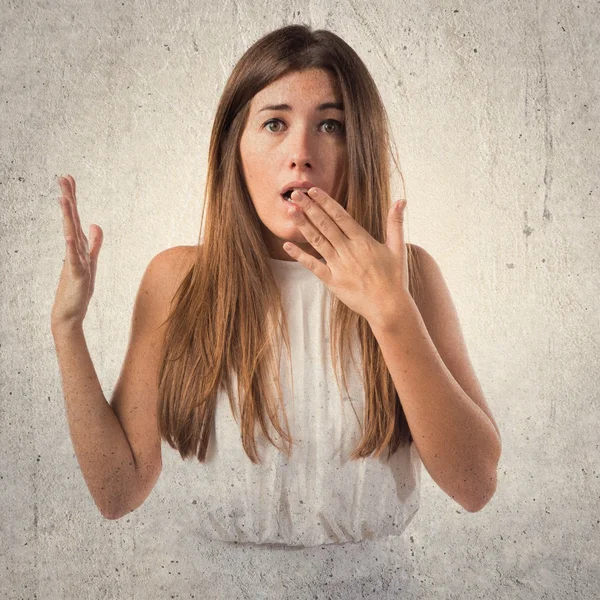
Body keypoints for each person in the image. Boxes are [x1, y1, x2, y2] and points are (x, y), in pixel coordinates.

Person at [51, 23, 502, 594]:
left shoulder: (411, 277)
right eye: (274, 123)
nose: (301, 155)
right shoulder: (177, 280)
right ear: (233, 148)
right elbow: (117, 491)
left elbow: (475, 485)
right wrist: (67, 328)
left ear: (358, 145)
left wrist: (392, 312)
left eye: (330, 125)